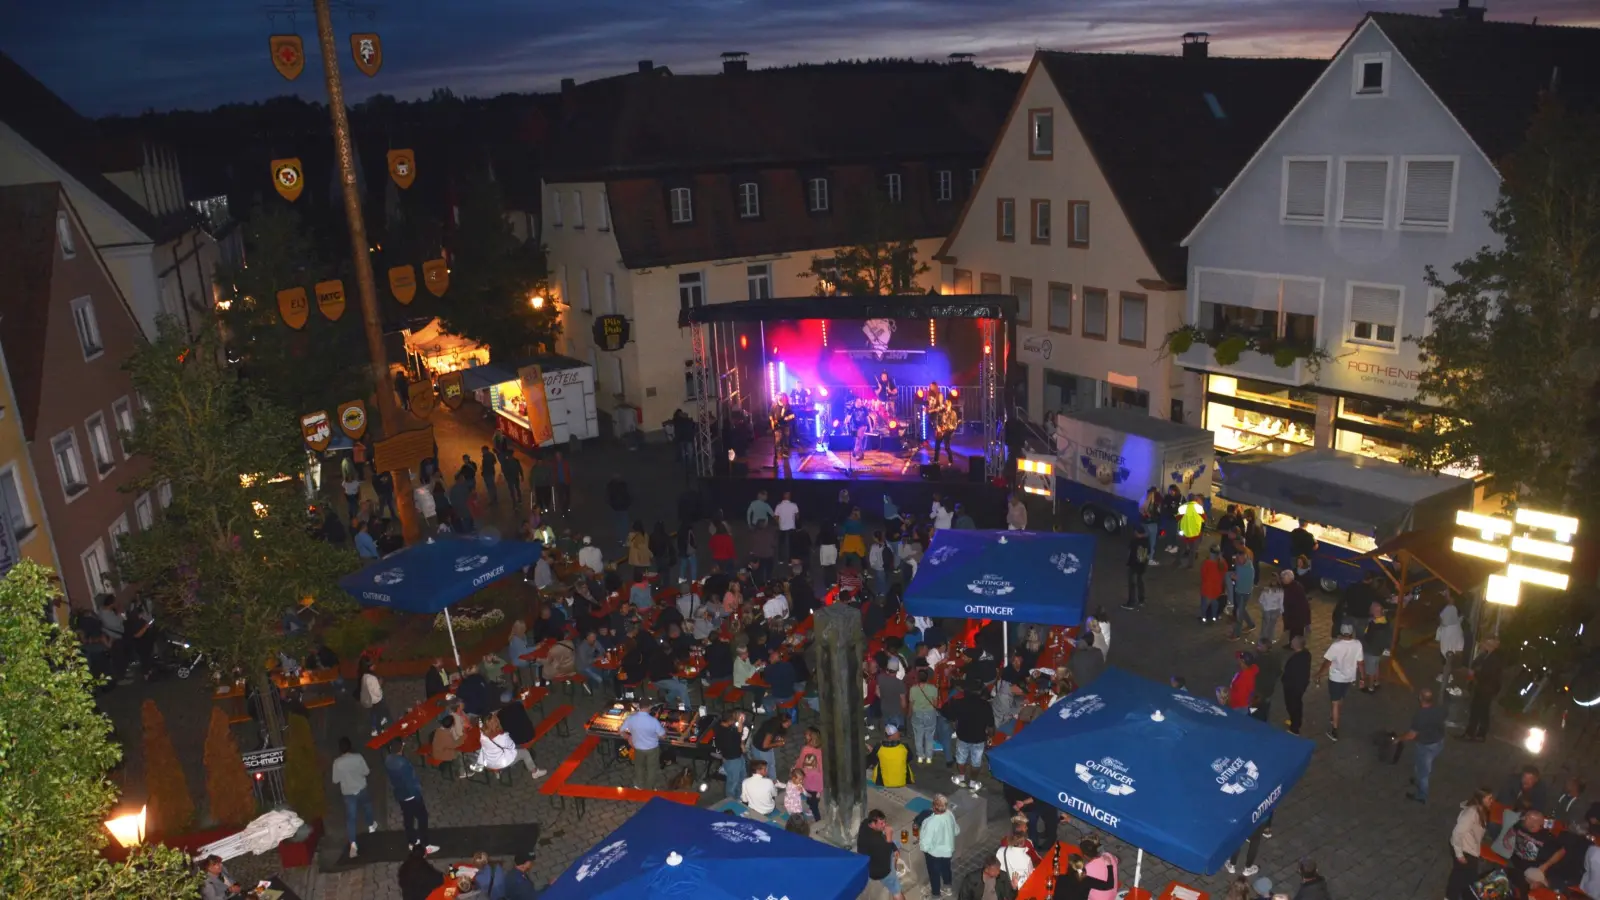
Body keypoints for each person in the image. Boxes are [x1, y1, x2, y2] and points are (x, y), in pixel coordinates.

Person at [384, 741, 437, 855]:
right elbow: (410, 781)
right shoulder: (404, 763)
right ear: (401, 749)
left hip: (400, 795)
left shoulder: (388, 760)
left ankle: (412, 841)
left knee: (408, 818)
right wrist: (417, 795)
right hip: (411, 795)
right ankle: (425, 844)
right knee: (422, 817)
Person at [1314, 623, 1363, 741]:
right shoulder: (1357, 644)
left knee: (1334, 702)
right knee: (1340, 698)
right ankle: (1334, 716)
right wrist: (1362, 678)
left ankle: (1334, 729)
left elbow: (1327, 662)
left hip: (1336, 678)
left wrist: (1319, 674)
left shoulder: (1336, 646)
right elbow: (1360, 662)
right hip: (1349, 677)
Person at [1399, 688, 1447, 803]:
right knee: (1420, 764)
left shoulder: (1420, 715)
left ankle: (1422, 796)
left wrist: (1398, 739)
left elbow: (1411, 735)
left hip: (1426, 746)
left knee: (1423, 772)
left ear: (1420, 698)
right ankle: (1417, 780)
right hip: (1439, 742)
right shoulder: (1440, 709)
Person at [332, 737, 376, 859]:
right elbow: (366, 772)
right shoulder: (358, 757)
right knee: (367, 806)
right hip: (361, 789)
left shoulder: (337, 762)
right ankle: (371, 826)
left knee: (351, 818)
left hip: (348, 793)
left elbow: (335, 780)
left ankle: (353, 844)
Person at [947, 681, 994, 791]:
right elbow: (990, 726)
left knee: (961, 759)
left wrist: (956, 728)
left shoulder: (959, 703)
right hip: (979, 739)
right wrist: (990, 737)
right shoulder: (986, 705)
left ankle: (961, 778)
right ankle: (973, 783)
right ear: (979, 692)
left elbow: (953, 720)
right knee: (976, 762)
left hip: (963, 736)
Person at [1447, 787, 1493, 900]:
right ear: (1481, 799)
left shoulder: (1482, 810)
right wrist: (1459, 854)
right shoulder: (1471, 813)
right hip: (1465, 850)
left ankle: (1450, 896)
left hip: (1470, 849)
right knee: (1468, 878)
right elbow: (1457, 833)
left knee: (1459, 875)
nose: (1492, 801)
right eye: (1489, 798)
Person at [475, 713, 548, 781]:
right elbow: (511, 746)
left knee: (496, 750)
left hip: (489, 762)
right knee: (525, 752)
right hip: (501, 762)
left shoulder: (482, 736)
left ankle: (497, 772)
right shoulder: (501, 736)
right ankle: (535, 772)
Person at [1506, 810, 1566, 891]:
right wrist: (1507, 843)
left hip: (1532, 868)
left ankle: (1541, 884)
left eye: (1534, 820)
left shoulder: (1546, 836)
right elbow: (1509, 834)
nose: (1529, 821)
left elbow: (1562, 851)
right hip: (1515, 863)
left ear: (1541, 824)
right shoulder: (1520, 825)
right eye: (1528, 818)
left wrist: (1545, 866)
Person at [1462, 637, 1504, 741]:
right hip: (1483, 686)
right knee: (1480, 710)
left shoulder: (1494, 659)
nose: (1484, 645)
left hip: (1486, 688)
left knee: (1479, 710)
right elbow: (1476, 664)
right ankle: (1476, 733)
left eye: (1486, 643)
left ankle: (1475, 733)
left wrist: (1475, 673)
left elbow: (1489, 674)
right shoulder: (1485, 655)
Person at [857, 810, 905, 900]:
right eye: (881, 823)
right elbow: (885, 856)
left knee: (896, 844)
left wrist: (894, 848)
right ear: (873, 824)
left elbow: (887, 844)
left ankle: (895, 863)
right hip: (879, 872)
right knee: (896, 890)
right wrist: (889, 836)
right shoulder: (877, 842)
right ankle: (895, 877)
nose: (885, 825)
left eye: (884, 822)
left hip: (868, 860)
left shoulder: (865, 823)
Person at [621, 703, 667, 790]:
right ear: (649, 707)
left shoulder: (631, 718)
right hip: (652, 748)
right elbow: (663, 736)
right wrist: (665, 731)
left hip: (638, 747)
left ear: (639, 707)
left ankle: (639, 785)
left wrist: (628, 737)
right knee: (652, 769)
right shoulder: (653, 721)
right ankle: (649, 788)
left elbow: (621, 731)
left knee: (639, 767)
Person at [1050, 851, 1117, 900]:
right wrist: (1109, 866)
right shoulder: (1086, 880)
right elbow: (1109, 885)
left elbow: (1056, 896)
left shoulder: (1061, 878)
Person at [714, 709, 748, 800]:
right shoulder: (728, 733)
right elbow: (739, 733)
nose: (735, 720)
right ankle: (730, 800)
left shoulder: (720, 726)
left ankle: (739, 797)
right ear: (729, 721)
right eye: (733, 719)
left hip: (736, 757)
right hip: (732, 760)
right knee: (733, 782)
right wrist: (740, 722)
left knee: (742, 778)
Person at [1359, 601, 1392, 693]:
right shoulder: (1386, 621)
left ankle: (1370, 687)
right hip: (1379, 650)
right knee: (1376, 667)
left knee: (1370, 671)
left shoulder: (1373, 624)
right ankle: (1377, 682)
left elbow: (1367, 637)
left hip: (1371, 650)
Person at [871, 723, 913, 788]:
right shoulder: (904, 746)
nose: (899, 734)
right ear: (892, 735)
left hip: (883, 783)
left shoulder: (878, 747)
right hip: (901, 782)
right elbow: (910, 758)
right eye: (897, 733)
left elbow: (873, 760)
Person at [357, 657, 391, 738]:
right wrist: (379, 684)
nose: (374, 665)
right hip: (376, 700)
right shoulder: (372, 678)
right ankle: (378, 730)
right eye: (372, 665)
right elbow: (378, 693)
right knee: (378, 712)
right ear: (368, 667)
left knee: (374, 713)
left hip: (370, 699)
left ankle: (374, 727)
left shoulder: (363, 675)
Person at [1123, 525, 1150, 610]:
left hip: (1134, 564)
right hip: (1142, 565)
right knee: (1140, 582)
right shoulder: (1146, 541)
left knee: (1132, 583)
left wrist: (1128, 562)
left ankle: (1131, 602)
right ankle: (1141, 600)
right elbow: (1148, 553)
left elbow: (1130, 552)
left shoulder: (1134, 541)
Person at [1281, 569, 1310, 646]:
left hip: (1296, 615)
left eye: (1283, 578)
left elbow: (1289, 603)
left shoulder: (1292, 588)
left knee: (1295, 631)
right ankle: (1297, 644)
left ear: (1289, 579)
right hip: (1299, 615)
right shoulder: (1296, 585)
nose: (1282, 580)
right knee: (1298, 632)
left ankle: (1293, 645)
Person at [1176, 493, 1205, 567]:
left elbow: (1177, 519)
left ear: (1187, 499)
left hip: (1184, 532)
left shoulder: (1183, 507)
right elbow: (1204, 519)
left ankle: (1178, 561)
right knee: (1192, 550)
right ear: (1195, 499)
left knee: (1181, 548)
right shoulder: (1199, 508)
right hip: (1194, 533)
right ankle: (1190, 564)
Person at [1200, 545, 1226, 624]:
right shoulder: (1222, 562)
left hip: (1207, 587)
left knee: (1204, 603)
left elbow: (1203, 575)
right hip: (1217, 588)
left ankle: (1203, 617)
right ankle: (1214, 617)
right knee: (1215, 603)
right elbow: (1224, 573)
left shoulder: (1207, 563)